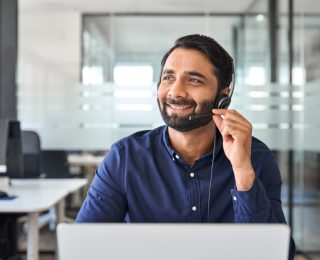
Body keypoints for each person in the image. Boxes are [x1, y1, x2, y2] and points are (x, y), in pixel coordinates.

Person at [76, 34, 295, 258]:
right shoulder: (125, 157)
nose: (175, 92)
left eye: (194, 80)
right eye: (168, 78)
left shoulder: (254, 157)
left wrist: (242, 171)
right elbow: (84, 247)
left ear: (223, 95)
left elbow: (275, 254)